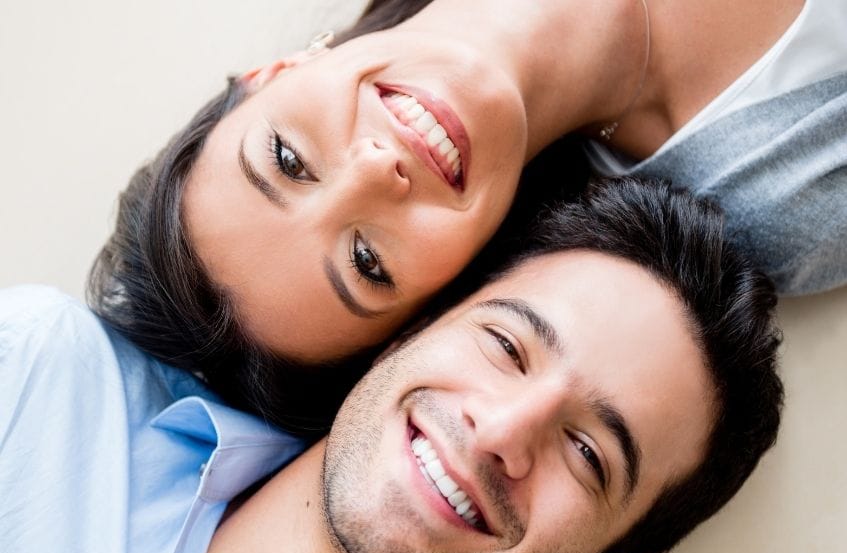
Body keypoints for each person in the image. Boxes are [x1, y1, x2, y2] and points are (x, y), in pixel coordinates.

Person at [1, 179, 783, 553]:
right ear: (407, 331)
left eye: (587, 456)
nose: (500, 432)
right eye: (506, 347)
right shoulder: (34, 382)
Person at [88, 0, 844, 434]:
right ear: (453, 294)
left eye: (286, 160)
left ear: (272, 75)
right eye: (367, 263)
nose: (375, 172)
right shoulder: (773, 192)